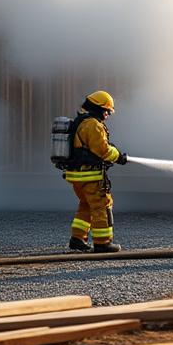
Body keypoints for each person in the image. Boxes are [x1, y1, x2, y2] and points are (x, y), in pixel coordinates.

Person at [64, 90, 128, 253]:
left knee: (86, 205)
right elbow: (102, 150)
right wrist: (118, 156)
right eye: (107, 111)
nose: (107, 114)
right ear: (99, 108)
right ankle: (103, 242)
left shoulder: (81, 122)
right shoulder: (93, 124)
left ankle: (77, 239)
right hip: (90, 176)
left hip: (78, 176)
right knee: (102, 206)